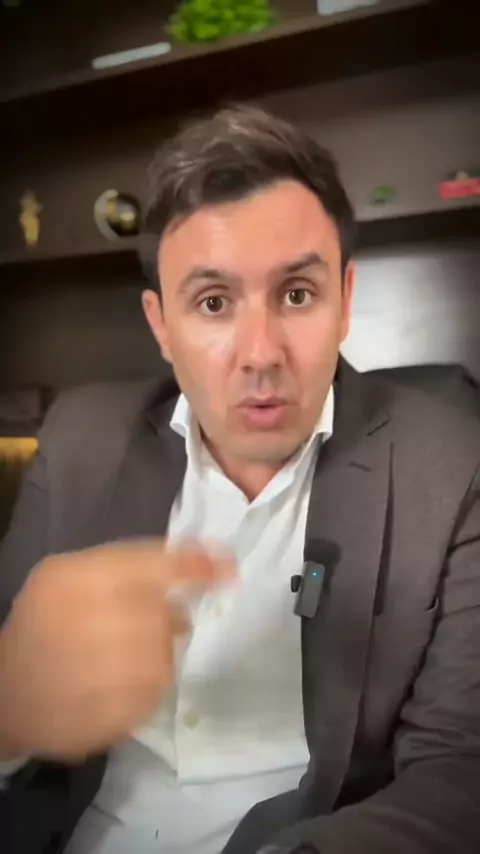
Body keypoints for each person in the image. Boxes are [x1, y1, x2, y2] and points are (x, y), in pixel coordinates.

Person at [0, 105, 480, 854]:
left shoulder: (451, 461)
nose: (260, 353)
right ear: (162, 325)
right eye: (214, 302)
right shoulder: (79, 441)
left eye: (297, 294)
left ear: (346, 301)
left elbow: (460, 769)